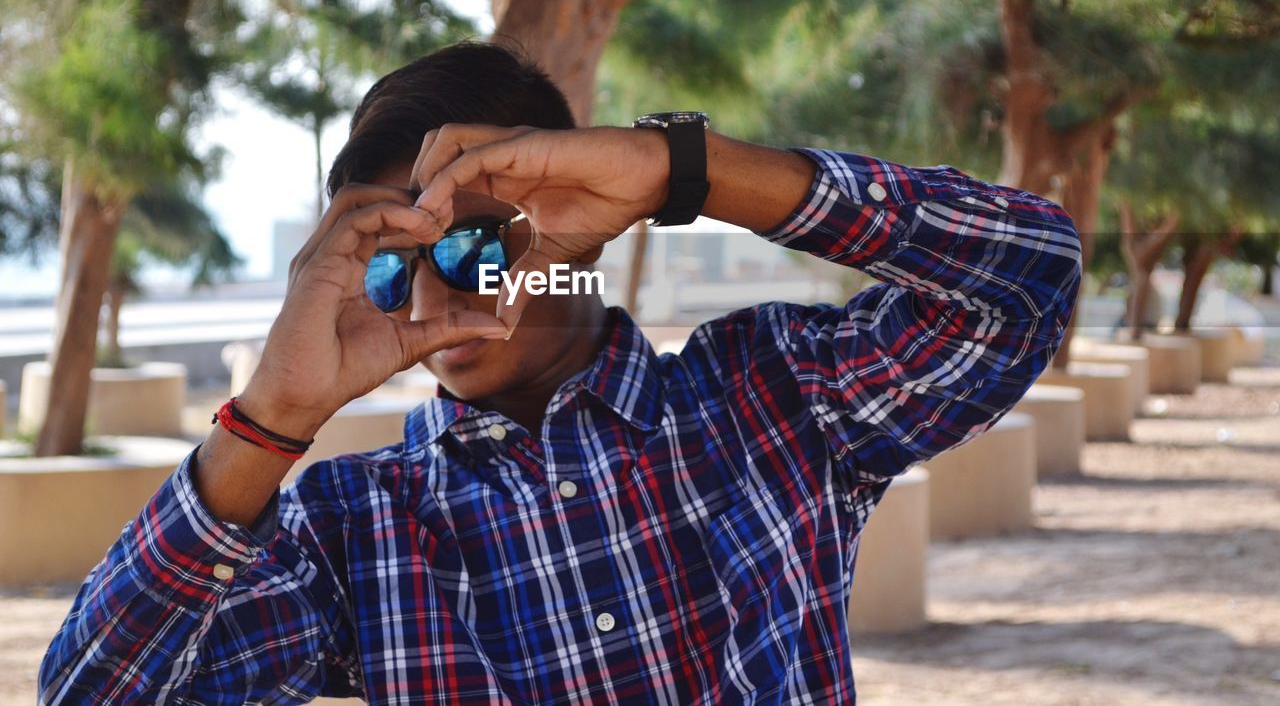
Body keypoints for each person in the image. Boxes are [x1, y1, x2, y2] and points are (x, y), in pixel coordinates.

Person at [39, 41, 1082, 704]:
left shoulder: (767, 401)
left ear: (570, 214)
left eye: (466, 244)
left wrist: (684, 169)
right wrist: (271, 414)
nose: (434, 294)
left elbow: (1025, 277)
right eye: (387, 264)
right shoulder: (353, 529)